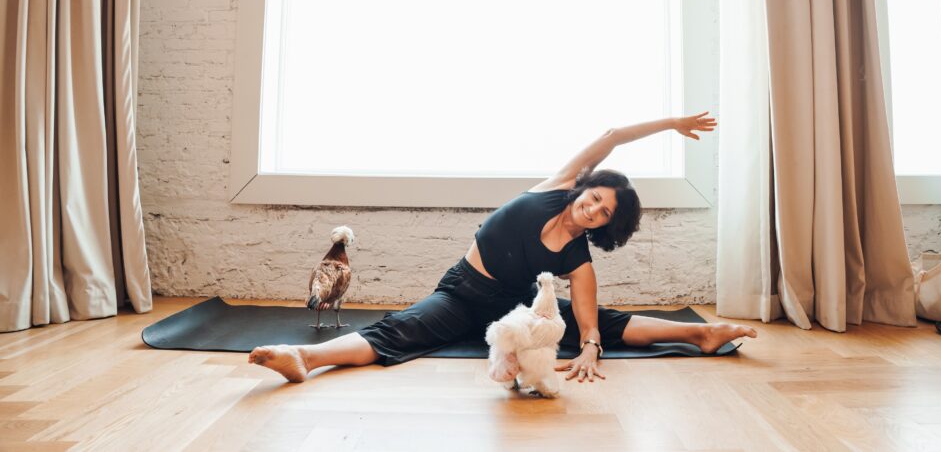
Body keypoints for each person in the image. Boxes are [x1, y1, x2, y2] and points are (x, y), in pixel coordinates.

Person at [249, 112, 757, 383]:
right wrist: (669, 125)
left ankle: (703, 334)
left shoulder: (578, 256)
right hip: (461, 294)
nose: (594, 210)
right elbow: (612, 135)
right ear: (584, 188)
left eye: (604, 214)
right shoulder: (554, 187)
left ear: (606, 226)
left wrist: (589, 348)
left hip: (517, 308)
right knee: (397, 330)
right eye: (596, 199)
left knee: (611, 320)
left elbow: (586, 317)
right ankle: (305, 358)